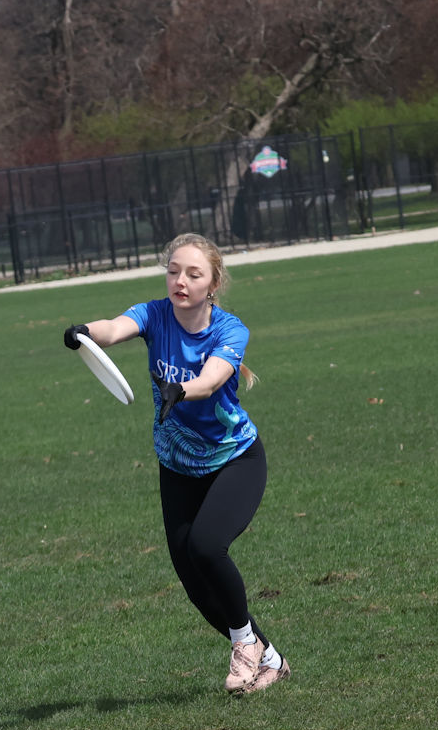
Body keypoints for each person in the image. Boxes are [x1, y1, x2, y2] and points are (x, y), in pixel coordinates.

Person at [62, 234, 287, 694]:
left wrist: (180, 390)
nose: (180, 281)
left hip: (234, 459)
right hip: (177, 466)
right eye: (173, 271)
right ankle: (270, 659)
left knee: (207, 547)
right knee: (194, 583)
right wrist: (83, 332)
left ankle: (244, 645)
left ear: (213, 284)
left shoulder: (231, 330)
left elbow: (211, 379)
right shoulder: (154, 314)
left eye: (193, 274)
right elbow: (113, 328)